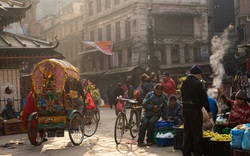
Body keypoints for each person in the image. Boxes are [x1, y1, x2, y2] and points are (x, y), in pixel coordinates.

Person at [180, 64, 211, 156]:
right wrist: (208, 110)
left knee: (187, 131)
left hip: (185, 109)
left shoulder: (184, 83)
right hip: (194, 110)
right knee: (196, 132)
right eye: (200, 75)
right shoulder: (197, 83)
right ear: (197, 74)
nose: (200, 76)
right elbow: (203, 98)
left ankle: (186, 152)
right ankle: (197, 152)